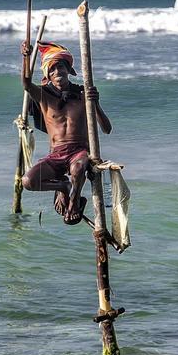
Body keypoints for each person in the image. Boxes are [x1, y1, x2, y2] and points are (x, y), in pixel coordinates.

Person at [20, 39, 112, 224]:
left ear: (69, 70)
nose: (57, 72)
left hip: (79, 152)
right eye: (52, 69)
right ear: (48, 75)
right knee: (28, 181)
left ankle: (73, 203)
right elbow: (27, 83)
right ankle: (63, 185)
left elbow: (106, 129)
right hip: (56, 154)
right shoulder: (44, 96)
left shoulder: (82, 94)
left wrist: (95, 103)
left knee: (78, 167)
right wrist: (26, 57)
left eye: (61, 67)